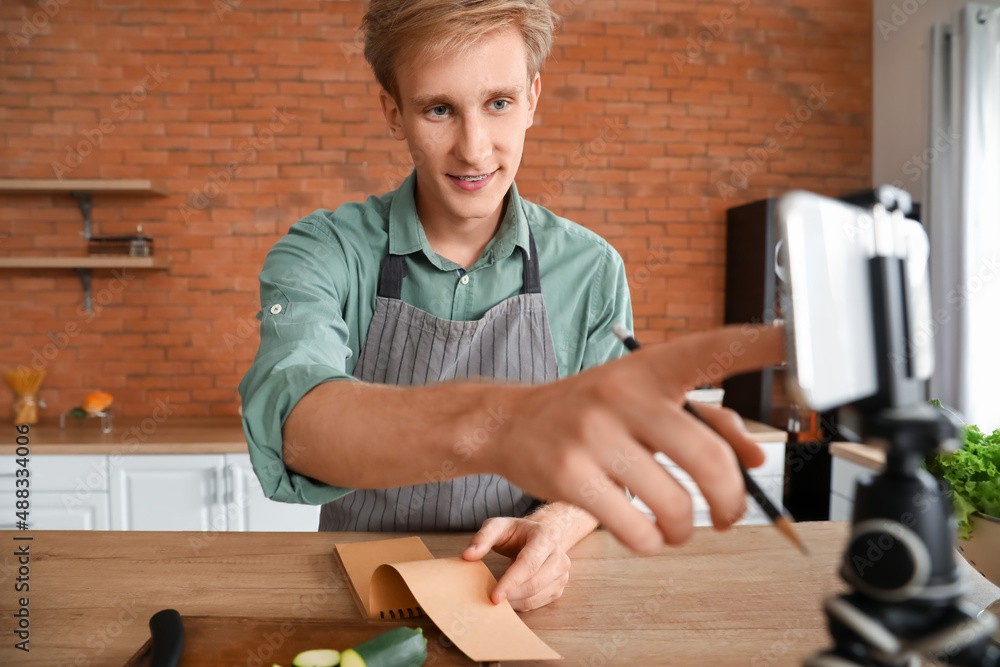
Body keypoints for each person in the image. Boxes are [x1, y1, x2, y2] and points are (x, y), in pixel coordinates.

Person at [238, 0, 785, 612]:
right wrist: (493, 428)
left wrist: (555, 526)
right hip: (361, 596)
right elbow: (297, 428)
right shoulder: (323, 251)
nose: (474, 149)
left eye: (498, 102)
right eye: (439, 109)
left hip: (517, 597)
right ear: (395, 113)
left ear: (532, 99)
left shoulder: (592, 267)